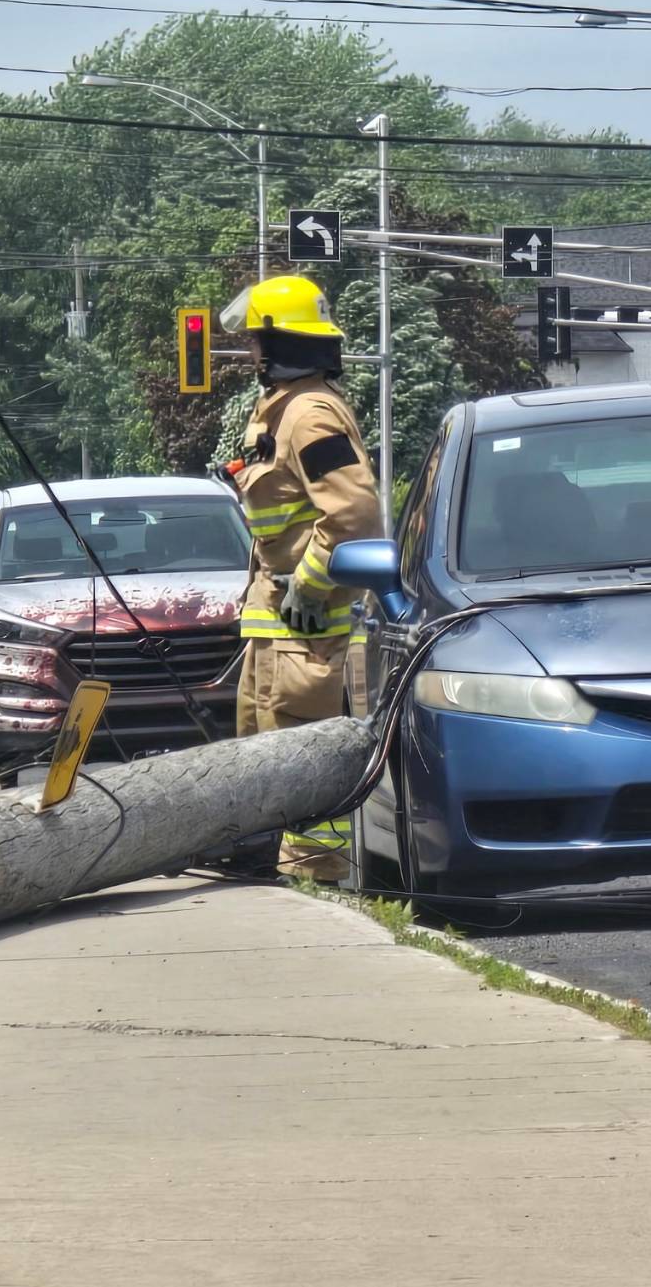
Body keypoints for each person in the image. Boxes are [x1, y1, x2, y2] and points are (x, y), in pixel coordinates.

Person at [223, 275, 381, 883]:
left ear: (281, 343)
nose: (250, 353)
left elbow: (353, 513)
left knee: (302, 758)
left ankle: (315, 875)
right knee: (263, 756)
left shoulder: (310, 416)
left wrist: (309, 587)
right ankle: (272, 863)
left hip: (306, 631)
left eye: (257, 341)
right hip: (279, 628)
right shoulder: (282, 410)